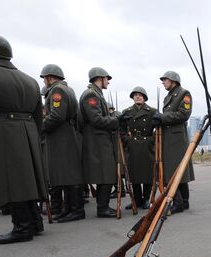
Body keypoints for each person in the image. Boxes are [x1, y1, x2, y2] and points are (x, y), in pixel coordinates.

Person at [0, 34, 47, 244]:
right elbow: (38, 115)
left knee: (12, 180)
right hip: (28, 130)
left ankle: (22, 227)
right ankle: (35, 221)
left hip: (3, 130)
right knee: (27, 179)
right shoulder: (29, 80)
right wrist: (34, 136)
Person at [40, 64, 85, 223]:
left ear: (49, 77)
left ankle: (77, 210)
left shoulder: (57, 91)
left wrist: (40, 127)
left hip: (61, 135)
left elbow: (57, 116)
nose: (45, 82)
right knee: (66, 173)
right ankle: (69, 209)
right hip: (67, 133)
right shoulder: (68, 89)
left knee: (68, 174)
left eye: (45, 78)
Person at [79, 67, 120, 218]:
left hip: (100, 140)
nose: (108, 81)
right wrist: (116, 121)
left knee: (106, 174)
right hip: (97, 141)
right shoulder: (92, 95)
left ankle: (103, 206)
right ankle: (102, 208)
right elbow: (96, 119)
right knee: (106, 174)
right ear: (99, 78)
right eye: (106, 78)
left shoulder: (96, 94)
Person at [152, 71, 194, 214]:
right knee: (177, 171)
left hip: (176, 139)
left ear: (173, 80)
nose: (163, 82)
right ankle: (185, 201)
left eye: (165, 80)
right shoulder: (169, 96)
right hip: (169, 137)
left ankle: (178, 203)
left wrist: (163, 117)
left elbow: (184, 114)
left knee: (172, 172)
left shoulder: (183, 93)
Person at [121, 86, 156, 209]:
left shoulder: (152, 111)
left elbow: (160, 128)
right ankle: (137, 199)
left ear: (144, 97)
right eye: (135, 95)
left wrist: (152, 140)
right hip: (133, 145)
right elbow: (121, 128)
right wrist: (127, 140)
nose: (137, 96)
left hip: (147, 145)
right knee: (134, 174)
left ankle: (146, 198)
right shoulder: (127, 112)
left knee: (147, 174)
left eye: (140, 95)